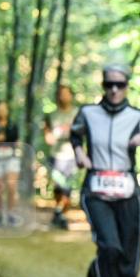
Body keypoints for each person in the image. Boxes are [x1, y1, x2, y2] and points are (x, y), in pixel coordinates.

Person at [71, 65, 140, 277]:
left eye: (119, 85)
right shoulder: (88, 112)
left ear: (127, 86)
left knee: (129, 252)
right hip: (96, 189)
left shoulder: (137, 116)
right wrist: (79, 153)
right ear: (103, 86)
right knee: (109, 246)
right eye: (109, 85)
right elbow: (75, 133)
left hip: (127, 190)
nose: (114, 90)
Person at [45, 85, 79, 230]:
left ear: (71, 96)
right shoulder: (51, 115)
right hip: (56, 155)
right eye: (61, 94)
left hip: (73, 155)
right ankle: (59, 212)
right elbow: (48, 137)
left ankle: (61, 215)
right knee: (58, 187)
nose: (63, 97)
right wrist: (56, 134)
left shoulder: (78, 113)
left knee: (68, 188)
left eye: (66, 94)